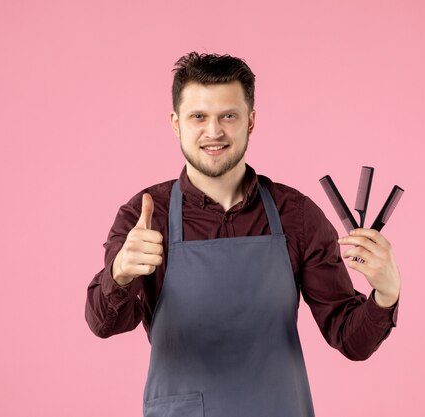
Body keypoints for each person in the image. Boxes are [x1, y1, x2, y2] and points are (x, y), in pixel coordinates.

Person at [85, 52, 401, 417]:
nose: (214, 131)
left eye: (228, 116)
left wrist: (386, 293)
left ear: (250, 122)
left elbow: (350, 338)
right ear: (176, 123)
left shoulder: (294, 215)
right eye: (198, 116)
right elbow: (103, 324)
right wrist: (120, 273)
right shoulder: (145, 215)